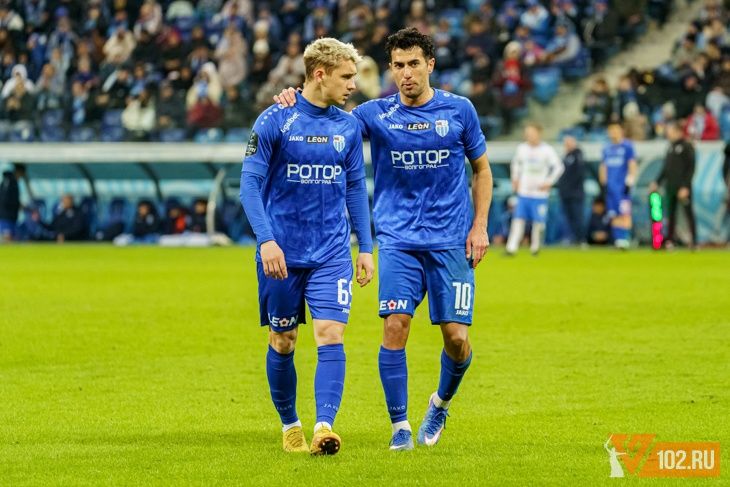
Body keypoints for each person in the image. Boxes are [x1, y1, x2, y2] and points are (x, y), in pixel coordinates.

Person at [275, 28, 493, 451]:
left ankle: (441, 402)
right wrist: (292, 98)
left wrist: (480, 225)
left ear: (430, 65)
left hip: (450, 241)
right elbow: (322, 113)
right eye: (398, 66)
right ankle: (400, 428)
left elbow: (482, 170)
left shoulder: (459, 111)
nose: (406, 73)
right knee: (395, 325)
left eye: (414, 64)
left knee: (457, 339)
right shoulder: (373, 115)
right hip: (396, 239)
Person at [240, 38, 374, 456]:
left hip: (331, 253)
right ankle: (291, 425)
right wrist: (266, 241)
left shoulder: (348, 127)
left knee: (331, 333)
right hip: (281, 254)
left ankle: (324, 427)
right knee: (284, 339)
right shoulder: (275, 120)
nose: (353, 84)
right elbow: (249, 186)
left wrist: (365, 247)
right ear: (320, 74)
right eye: (346, 76)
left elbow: (356, 189)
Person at [506, 122, 564, 255]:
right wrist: (515, 179)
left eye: (531, 133)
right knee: (518, 219)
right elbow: (516, 164)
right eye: (527, 133)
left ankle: (535, 247)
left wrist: (549, 182)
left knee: (539, 223)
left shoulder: (547, 150)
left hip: (539, 193)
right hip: (524, 191)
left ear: (539, 133)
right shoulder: (522, 148)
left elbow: (559, 167)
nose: (529, 136)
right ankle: (511, 248)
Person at [649, 122, 696, 248]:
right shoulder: (670, 147)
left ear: (678, 132)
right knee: (671, 214)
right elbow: (666, 168)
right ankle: (670, 240)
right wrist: (657, 182)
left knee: (688, 214)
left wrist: (685, 186)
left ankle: (694, 241)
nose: (668, 134)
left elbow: (691, 168)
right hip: (671, 186)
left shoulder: (687, 146)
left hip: (683, 187)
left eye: (670, 131)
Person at [599, 122, 637, 249]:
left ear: (621, 131)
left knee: (625, 213)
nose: (613, 133)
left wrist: (629, 181)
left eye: (615, 130)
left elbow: (632, 164)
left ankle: (625, 238)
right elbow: (603, 167)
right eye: (611, 131)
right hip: (610, 188)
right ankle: (618, 239)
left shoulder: (627, 146)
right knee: (613, 214)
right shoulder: (606, 148)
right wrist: (603, 184)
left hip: (622, 187)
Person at [558, 136, 586, 245]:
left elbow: (579, 174)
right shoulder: (566, 156)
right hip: (565, 193)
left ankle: (581, 239)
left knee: (577, 217)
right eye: (566, 144)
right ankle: (570, 238)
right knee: (567, 218)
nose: (567, 146)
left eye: (569, 143)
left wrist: (568, 186)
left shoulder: (578, 155)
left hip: (575, 194)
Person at [0, 163, 25, 241]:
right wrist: (16, 205)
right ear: (18, 172)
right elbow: (4, 199)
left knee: (11, 238)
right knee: (7, 238)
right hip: (5, 215)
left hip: (11, 216)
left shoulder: (14, 182)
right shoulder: (8, 181)